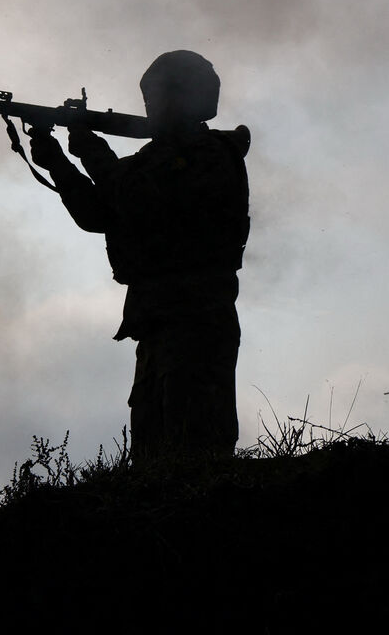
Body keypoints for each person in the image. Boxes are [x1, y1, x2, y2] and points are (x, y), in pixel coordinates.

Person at [28, 50, 250, 465]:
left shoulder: (212, 153)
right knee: (151, 456)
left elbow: (131, 194)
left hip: (196, 317)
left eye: (161, 96)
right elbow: (99, 213)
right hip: (156, 321)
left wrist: (89, 149)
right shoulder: (153, 161)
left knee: (195, 448)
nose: (152, 107)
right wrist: (57, 158)